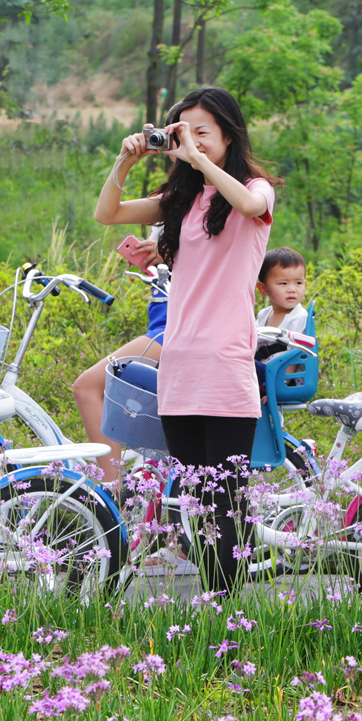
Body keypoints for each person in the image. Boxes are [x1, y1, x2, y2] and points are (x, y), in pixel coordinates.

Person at [94, 86, 277, 595]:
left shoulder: (255, 189)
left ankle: (228, 610)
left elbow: (244, 200)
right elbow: (107, 214)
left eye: (203, 132)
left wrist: (198, 159)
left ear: (228, 136)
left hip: (225, 362)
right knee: (195, 500)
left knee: (228, 503)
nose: (191, 141)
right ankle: (214, 605)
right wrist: (125, 161)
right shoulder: (182, 201)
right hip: (180, 361)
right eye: (183, 132)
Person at [71, 230, 165, 482]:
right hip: (162, 325)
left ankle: (112, 490)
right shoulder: (174, 208)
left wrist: (167, 253)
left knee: (87, 387)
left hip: (173, 328)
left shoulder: (198, 210)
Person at [255, 246, 310, 335]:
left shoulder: (299, 317)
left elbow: (297, 348)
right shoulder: (263, 315)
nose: (292, 290)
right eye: (284, 283)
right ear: (263, 289)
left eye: (298, 283)